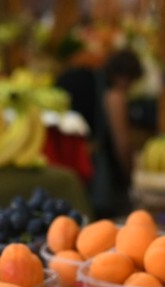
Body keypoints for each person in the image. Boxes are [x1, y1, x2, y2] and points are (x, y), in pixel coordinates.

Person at [57, 49, 145, 218]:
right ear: (126, 77)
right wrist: (129, 174)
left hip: (64, 157)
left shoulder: (83, 76)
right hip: (88, 167)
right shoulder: (113, 93)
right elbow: (122, 142)